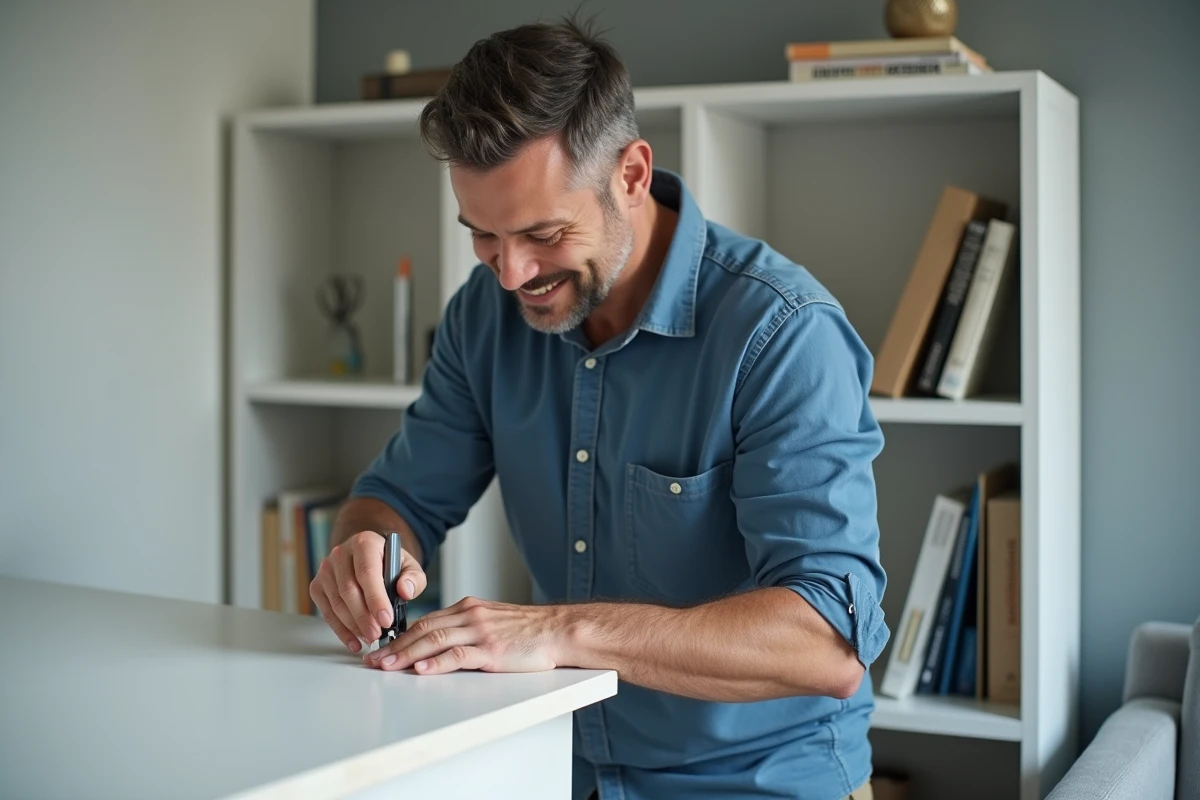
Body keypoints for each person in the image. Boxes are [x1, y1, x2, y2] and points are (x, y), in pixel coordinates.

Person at [309, 15, 887, 800]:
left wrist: (557, 631)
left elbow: (827, 642)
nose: (511, 274)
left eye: (543, 233)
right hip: (556, 767)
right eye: (483, 235)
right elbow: (396, 499)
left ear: (632, 175)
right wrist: (365, 551)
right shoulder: (484, 313)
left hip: (757, 784)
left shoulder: (782, 332)